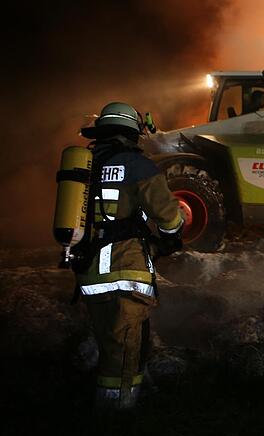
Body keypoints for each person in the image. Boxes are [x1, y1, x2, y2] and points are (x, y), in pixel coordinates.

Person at [73, 102, 185, 410]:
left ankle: (122, 399)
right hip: (124, 271)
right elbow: (168, 217)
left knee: (111, 344)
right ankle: (117, 419)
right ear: (131, 133)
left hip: (90, 273)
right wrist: (174, 235)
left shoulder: (84, 164)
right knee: (123, 354)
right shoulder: (136, 165)